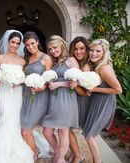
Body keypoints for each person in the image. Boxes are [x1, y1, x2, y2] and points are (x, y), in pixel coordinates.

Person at [0, 30, 34, 163]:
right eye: (12, 42)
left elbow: (25, 79)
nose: (14, 45)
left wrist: (18, 81)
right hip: (3, 93)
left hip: (16, 94)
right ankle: (0, 152)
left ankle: (15, 150)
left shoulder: (22, 61)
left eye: (17, 43)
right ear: (8, 42)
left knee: (15, 120)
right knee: (4, 118)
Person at [82, 39, 122, 163]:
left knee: (89, 135)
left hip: (103, 103)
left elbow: (118, 90)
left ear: (104, 53)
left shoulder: (104, 68)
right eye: (91, 50)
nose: (93, 53)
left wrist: (94, 89)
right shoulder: (98, 65)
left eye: (98, 51)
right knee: (89, 134)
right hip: (97, 100)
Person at [42, 35, 79, 163]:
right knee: (47, 131)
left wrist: (59, 84)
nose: (53, 51)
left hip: (66, 99)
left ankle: (60, 159)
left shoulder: (71, 60)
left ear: (62, 45)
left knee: (63, 132)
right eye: (50, 49)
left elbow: (77, 81)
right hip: (53, 100)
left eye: (55, 47)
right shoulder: (54, 62)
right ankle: (59, 152)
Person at [20, 31, 52, 159]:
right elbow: (23, 78)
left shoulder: (46, 58)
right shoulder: (26, 59)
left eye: (32, 43)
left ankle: (33, 155)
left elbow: (49, 80)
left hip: (40, 96)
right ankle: (36, 149)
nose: (30, 47)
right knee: (22, 129)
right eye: (27, 45)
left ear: (38, 42)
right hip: (27, 95)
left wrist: (39, 88)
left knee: (25, 130)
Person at [68, 36, 91, 163]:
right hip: (73, 99)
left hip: (81, 101)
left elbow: (85, 93)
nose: (78, 52)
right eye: (76, 49)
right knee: (67, 128)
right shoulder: (75, 62)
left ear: (86, 49)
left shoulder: (86, 66)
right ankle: (74, 153)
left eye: (82, 48)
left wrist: (74, 85)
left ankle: (78, 155)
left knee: (66, 128)